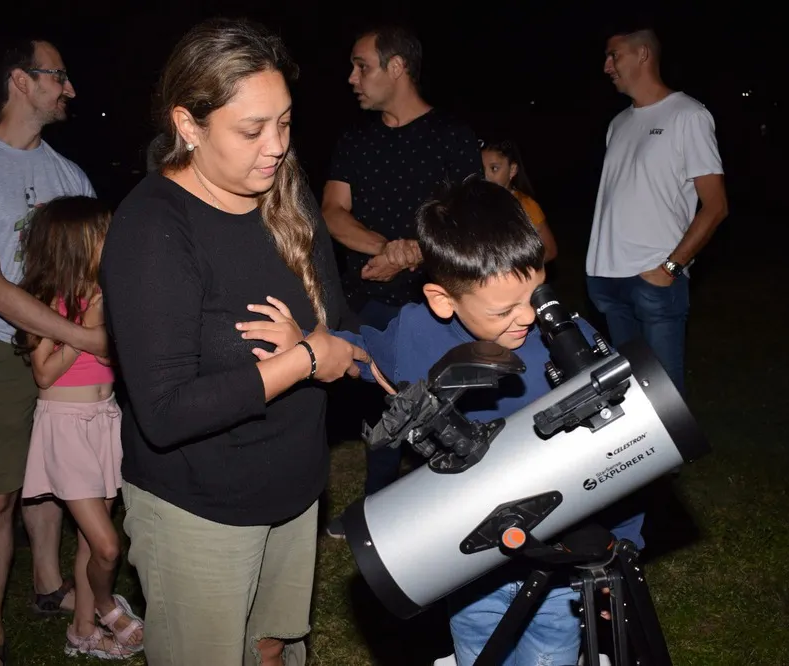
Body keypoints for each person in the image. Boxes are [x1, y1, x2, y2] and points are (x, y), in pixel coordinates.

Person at [242, 176, 642, 666]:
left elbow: (623, 449)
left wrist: (621, 545)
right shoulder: (416, 331)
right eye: (504, 309)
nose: (528, 317)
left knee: (548, 654)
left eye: (536, 294)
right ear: (442, 299)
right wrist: (305, 344)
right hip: (468, 557)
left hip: (558, 555)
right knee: (479, 649)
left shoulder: (569, 342)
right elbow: (365, 355)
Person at [99, 18, 368, 666]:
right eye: (252, 130)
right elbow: (166, 413)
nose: (276, 147)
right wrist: (305, 359)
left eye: (285, 123)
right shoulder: (153, 229)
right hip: (199, 510)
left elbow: (343, 327)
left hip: (295, 490)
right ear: (188, 125)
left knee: (274, 648)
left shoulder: (289, 195)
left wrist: (324, 346)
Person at [0, 37, 104, 666]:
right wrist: (82, 336)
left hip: (63, 348)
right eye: (59, 77)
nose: (69, 89)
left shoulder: (70, 175)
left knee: (60, 478)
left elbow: (90, 269)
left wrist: (85, 328)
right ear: (22, 81)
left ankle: (48, 586)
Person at [322, 25, 481, 533]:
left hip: (437, 301)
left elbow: (471, 221)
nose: (352, 78)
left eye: (361, 66)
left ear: (396, 67)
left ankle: (463, 512)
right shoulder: (355, 139)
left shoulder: (452, 136)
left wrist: (413, 254)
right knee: (384, 412)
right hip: (367, 295)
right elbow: (332, 212)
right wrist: (386, 250)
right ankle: (380, 515)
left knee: (447, 411)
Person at [15, 196, 144, 659]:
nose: (111, 240)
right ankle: (106, 606)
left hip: (105, 420)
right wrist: (82, 331)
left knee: (93, 537)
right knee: (108, 546)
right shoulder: (47, 301)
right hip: (66, 428)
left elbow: (117, 354)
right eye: (102, 234)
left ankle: (82, 628)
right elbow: (43, 373)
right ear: (75, 244)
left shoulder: (108, 293)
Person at [586, 27, 728, 398]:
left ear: (643, 54)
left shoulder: (689, 115)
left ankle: (672, 443)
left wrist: (670, 268)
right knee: (630, 396)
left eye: (614, 55)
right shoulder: (618, 124)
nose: (606, 66)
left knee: (664, 398)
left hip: (654, 277)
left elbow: (716, 206)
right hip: (607, 280)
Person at [481, 139, 557, 263]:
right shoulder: (477, 204)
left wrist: (517, 268)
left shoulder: (526, 205)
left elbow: (550, 250)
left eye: (494, 168)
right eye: (482, 169)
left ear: (512, 170)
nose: (486, 176)